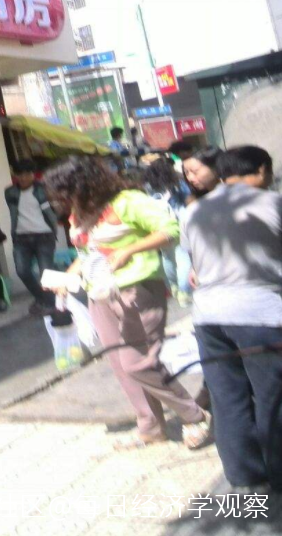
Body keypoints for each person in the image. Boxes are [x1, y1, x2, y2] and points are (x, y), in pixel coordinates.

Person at [43, 156, 212, 450]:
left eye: (66, 192)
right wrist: (67, 277)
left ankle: (194, 415)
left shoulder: (128, 201)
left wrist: (130, 250)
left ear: (86, 184)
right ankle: (150, 427)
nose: (63, 200)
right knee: (122, 367)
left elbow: (170, 230)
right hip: (99, 294)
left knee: (139, 363)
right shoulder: (80, 212)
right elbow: (87, 254)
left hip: (137, 290)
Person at [182, 145, 282, 492]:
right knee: (272, 397)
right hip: (261, 314)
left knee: (227, 398)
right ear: (262, 169)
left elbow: (195, 265)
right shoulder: (273, 204)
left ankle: (245, 477)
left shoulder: (193, 211)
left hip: (208, 317)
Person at [4, 160, 58, 315]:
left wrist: (54, 224)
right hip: (21, 237)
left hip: (44, 236)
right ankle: (44, 299)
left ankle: (49, 304)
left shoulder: (45, 189)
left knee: (46, 273)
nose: (23, 177)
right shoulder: (10, 192)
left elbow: (56, 209)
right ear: (15, 175)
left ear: (33, 174)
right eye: (19, 174)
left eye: (27, 174)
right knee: (22, 271)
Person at [141, 154, 192, 305]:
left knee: (167, 257)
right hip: (178, 223)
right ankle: (184, 292)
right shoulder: (177, 183)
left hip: (159, 226)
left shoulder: (147, 186)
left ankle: (173, 287)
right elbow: (189, 201)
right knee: (183, 257)